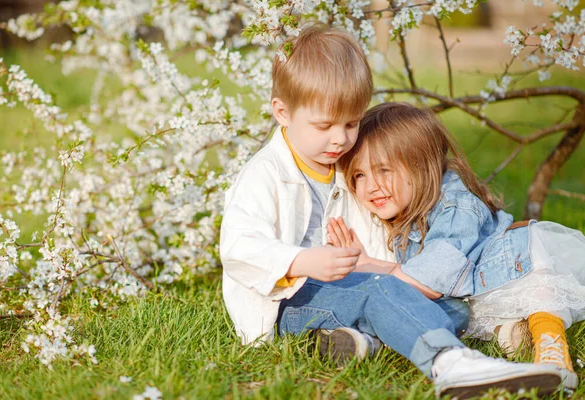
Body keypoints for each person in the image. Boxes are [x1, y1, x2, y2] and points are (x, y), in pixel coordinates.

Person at [220, 25, 564, 399]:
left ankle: (357, 343)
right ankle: (451, 363)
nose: (340, 138)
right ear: (282, 112)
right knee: (381, 292)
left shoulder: (341, 165)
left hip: (347, 291)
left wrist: (375, 263)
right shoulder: (264, 175)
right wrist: (302, 261)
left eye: (351, 123)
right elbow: (238, 247)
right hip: (289, 304)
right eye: (324, 125)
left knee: (450, 308)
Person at [328, 101, 585, 391]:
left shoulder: (456, 206)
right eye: (359, 175)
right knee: (438, 312)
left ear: (420, 165)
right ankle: (508, 334)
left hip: (516, 267)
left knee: (540, 295)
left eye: (383, 170)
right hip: (469, 296)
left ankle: (554, 355)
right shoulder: (406, 207)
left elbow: (432, 278)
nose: (370, 186)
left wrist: (369, 267)